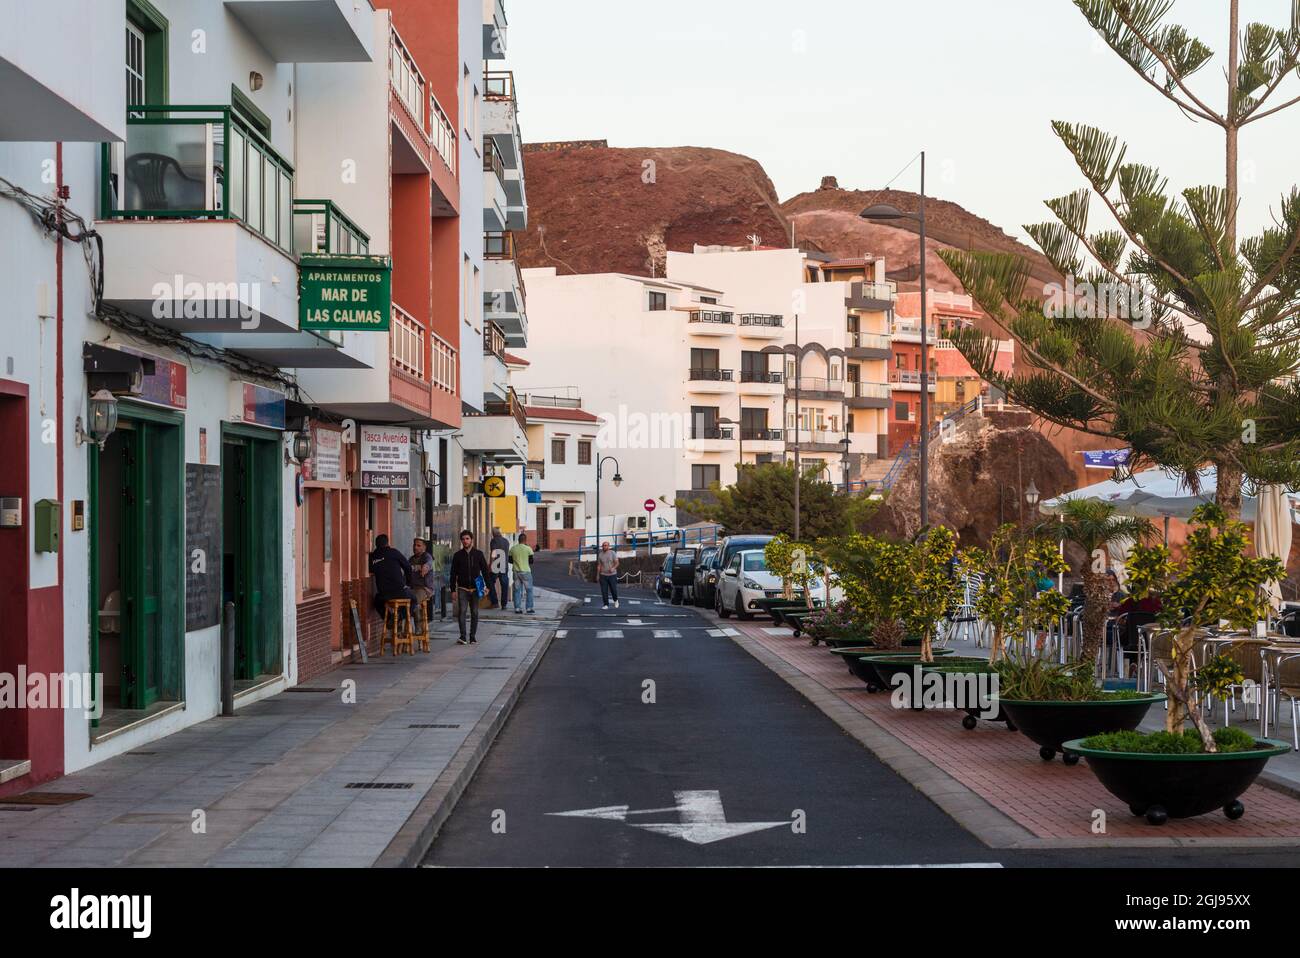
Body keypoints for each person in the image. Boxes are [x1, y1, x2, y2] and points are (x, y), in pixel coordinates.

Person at [449, 529, 490, 644]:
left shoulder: (478, 554)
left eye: (467, 539)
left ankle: (472, 637)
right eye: (463, 539)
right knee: (462, 611)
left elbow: (485, 572)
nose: (465, 541)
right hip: (462, 588)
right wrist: (452, 589)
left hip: (476, 588)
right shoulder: (457, 556)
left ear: (472, 540)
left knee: (475, 612)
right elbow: (453, 573)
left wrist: (488, 587)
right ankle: (463, 636)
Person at [369, 534, 414, 621]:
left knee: (377, 601)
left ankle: (390, 619)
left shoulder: (372, 556)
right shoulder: (394, 552)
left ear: (376, 545)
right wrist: (408, 583)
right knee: (414, 600)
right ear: (387, 543)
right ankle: (399, 617)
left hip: (383, 594)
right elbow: (408, 567)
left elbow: (371, 569)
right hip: (400, 592)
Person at [408, 537, 436, 626]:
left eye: (418, 545)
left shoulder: (427, 556)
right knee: (403, 601)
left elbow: (429, 563)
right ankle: (402, 629)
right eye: (414, 545)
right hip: (412, 588)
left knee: (414, 601)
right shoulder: (411, 559)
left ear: (424, 547)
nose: (415, 547)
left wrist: (426, 567)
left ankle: (419, 625)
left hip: (424, 588)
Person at [509, 532, 536, 614]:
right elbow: (531, 561)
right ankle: (529, 608)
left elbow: (509, 560)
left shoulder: (513, 549)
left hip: (516, 572)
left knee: (517, 590)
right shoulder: (528, 549)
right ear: (525, 540)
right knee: (529, 590)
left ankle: (517, 608)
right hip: (526, 572)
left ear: (518, 540)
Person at [488, 526, 511, 609]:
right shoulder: (506, 541)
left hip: (496, 565)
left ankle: (494, 602)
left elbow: (493, 553)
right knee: (504, 585)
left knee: (490, 582)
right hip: (504, 565)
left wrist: (490, 565)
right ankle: (504, 604)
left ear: (493, 533)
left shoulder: (493, 541)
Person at [597, 541, 620, 610]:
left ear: (608, 546)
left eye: (606, 545)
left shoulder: (612, 553)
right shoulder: (600, 555)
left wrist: (613, 568)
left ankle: (615, 600)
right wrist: (597, 575)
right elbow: (599, 565)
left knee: (613, 589)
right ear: (602, 546)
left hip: (612, 575)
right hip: (603, 575)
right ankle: (606, 604)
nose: (604, 547)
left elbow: (617, 563)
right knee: (604, 591)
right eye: (603, 545)